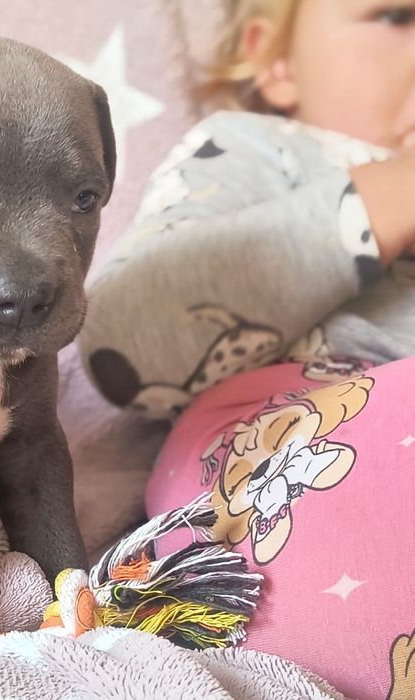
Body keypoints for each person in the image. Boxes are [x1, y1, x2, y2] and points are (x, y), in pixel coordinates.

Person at [78, 2, 415, 698]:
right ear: (275, 61)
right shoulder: (262, 150)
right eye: (396, 16)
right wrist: (393, 190)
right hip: (282, 497)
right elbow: (125, 341)